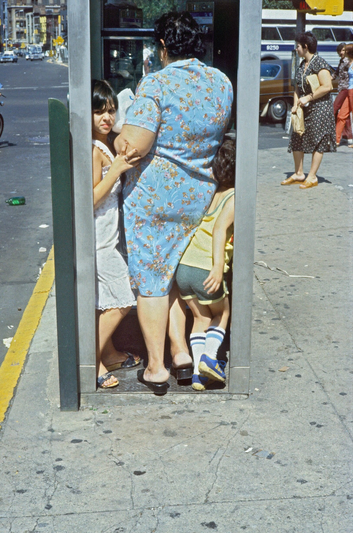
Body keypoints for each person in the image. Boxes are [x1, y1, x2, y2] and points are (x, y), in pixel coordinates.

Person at [115, 11, 233, 394]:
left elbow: (134, 145)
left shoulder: (157, 84)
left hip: (154, 200)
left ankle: (156, 368)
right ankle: (181, 352)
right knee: (175, 277)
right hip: (199, 195)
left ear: (163, 46)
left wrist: (120, 132)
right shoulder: (220, 82)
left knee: (152, 282)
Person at [91, 79, 141, 389]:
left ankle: (108, 354)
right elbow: (91, 198)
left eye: (110, 111)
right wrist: (115, 170)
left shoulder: (105, 145)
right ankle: (92, 358)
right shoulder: (94, 150)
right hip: (97, 242)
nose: (106, 118)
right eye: (99, 112)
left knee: (111, 299)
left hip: (108, 239)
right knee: (122, 299)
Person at [176, 138, 235, 391]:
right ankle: (211, 358)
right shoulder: (234, 197)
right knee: (222, 313)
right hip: (204, 268)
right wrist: (218, 268)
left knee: (200, 318)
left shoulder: (211, 193)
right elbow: (220, 230)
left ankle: (200, 376)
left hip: (185, 267)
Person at [282, 31, 336, 189]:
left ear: (305, 47)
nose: (296, 49)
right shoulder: (301, 65)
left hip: (320, 108)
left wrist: (309, 97)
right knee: (297, 137)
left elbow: (327, 86)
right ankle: (299, 173)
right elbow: (297, 88)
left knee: (318, 140)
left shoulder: (319, 63)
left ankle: (312, 177)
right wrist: (295, 104)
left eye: (298, 46)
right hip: (304, 108)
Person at [332, 43, 352, 146]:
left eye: (343, 50)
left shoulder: (347, 61)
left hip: (346, 89)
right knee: (344, 115)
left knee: (334, 109)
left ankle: (335, 136)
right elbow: (337, 72)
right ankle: (347, 137)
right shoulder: (342, 61)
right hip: (344, 88)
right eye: (340, 51)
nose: (341, 52)